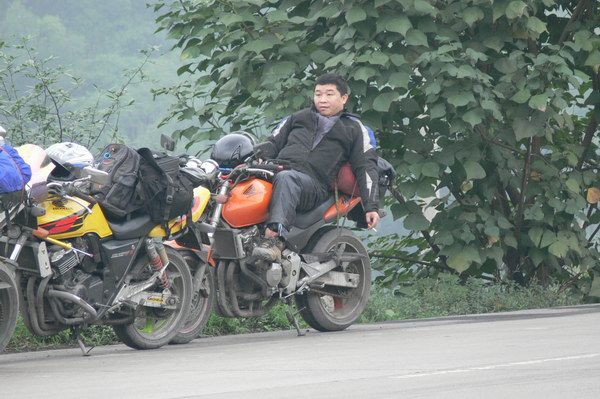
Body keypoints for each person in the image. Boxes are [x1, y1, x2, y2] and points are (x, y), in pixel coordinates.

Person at [252, 73, 380, 262]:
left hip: (313, 185)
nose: (322, 99)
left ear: (344, 98)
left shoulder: (354, 128)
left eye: (329, 94)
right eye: (318, 94)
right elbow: (272, 144)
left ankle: (274, 239)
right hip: (278, 173)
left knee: (288, 178)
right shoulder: (296, 118)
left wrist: (371, 206)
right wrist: (252, 157)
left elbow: (366, 166)